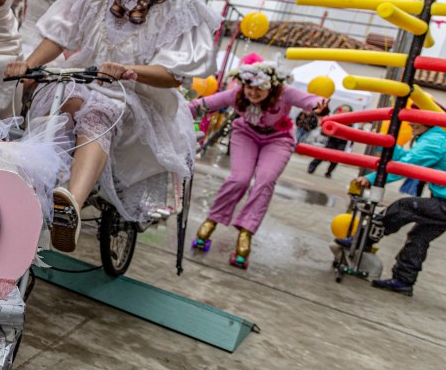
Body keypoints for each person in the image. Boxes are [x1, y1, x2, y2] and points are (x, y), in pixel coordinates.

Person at [6, 0, 218, 252]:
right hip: (83, 81)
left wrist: (130, 71)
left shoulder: (179, 7)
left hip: (138, 98)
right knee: (65, 100)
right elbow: (59, 35)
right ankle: (34, 189)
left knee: (99, 109)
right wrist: (28, 65)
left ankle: (70, 207)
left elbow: (173, 75)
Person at [190, 54, 327, 267]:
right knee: (239, 179)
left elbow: (308, 100)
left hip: (278, 139)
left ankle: (246, 233)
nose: (253, 93)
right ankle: (212, 221)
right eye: (249, 88)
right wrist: (174, 108)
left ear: (271, 87)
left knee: (265, 180)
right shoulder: (236, 94)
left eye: (259, 89)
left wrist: (319, 104)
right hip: (246, 134)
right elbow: (203, 104)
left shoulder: (283, 92)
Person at [337, 122, 446, 297]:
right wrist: (386, 143)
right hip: (441, 200)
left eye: (415, 117)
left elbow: (407, 165)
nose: (410, 122)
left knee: (404, 207)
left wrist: (373, 178)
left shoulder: (436, 140)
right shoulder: (430, 137)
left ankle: (363, 239)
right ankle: (403, 281)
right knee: (419, 237)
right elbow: (408, 157)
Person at [307, 104, 353, 178]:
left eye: (346, 110)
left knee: (336, 158)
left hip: (342, 142)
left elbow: (351, 133)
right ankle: (312, 166)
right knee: (324, 154)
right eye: (343, 110)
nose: (344, 111)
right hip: (332, 140)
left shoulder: (350, 121)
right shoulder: (335, 118)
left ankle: (329, 172)